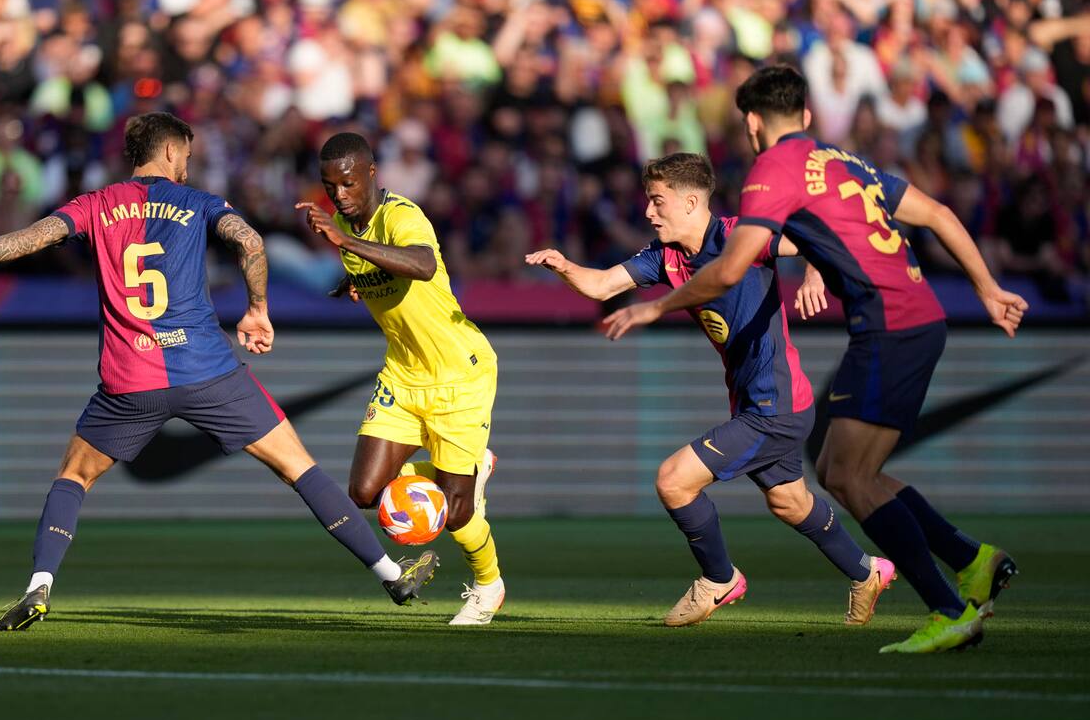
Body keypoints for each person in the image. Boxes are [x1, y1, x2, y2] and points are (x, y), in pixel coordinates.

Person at [0, 112, 437, 631]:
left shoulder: (95, 205)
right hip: (207, 372)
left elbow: (33, 237)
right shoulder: (201, 203)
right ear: (170, 152)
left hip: (130, 380)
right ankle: (391, 574)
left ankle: (38, 588)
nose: (189, 164)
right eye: (187, 154)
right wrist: (257, 308)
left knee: (74, 477)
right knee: (298, 468)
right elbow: (251, 242)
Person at [602, 66, 1028, 654]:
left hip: (888, 326)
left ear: (752, 123)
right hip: (916, 315)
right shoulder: (842, 161)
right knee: (840, 471)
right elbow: (936, 215)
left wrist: (654, 310)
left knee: (847, 476)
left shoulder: (769, 171)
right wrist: (986, 287)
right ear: (805, 116)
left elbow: (732, 267)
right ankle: (968, 558)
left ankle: (949, 608)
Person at [526, 152, 894, 627]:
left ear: (691, 201)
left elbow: (815, 237)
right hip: (755, 401)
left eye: (657, 202)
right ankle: (868, 572)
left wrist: (814, 271)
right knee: (789, 502)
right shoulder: (666, 257)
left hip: (775, 406)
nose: (648, 212)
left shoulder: (742, 237)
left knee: (674, 479)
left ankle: (719, 579)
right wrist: (563, 265)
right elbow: (600, 286)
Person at [296, 132, 503, 626]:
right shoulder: (348, 226)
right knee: (365, 493)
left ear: (371, 173)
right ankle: (467, 473)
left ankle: (489, 585)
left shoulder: (401, 215)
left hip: (459, 373)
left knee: (453, 515)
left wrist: (347, 243)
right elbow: (376, 268)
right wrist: (352, 279)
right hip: (403, 376)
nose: (339, 196)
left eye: (347, 184)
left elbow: (423, 265)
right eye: (330, 187)